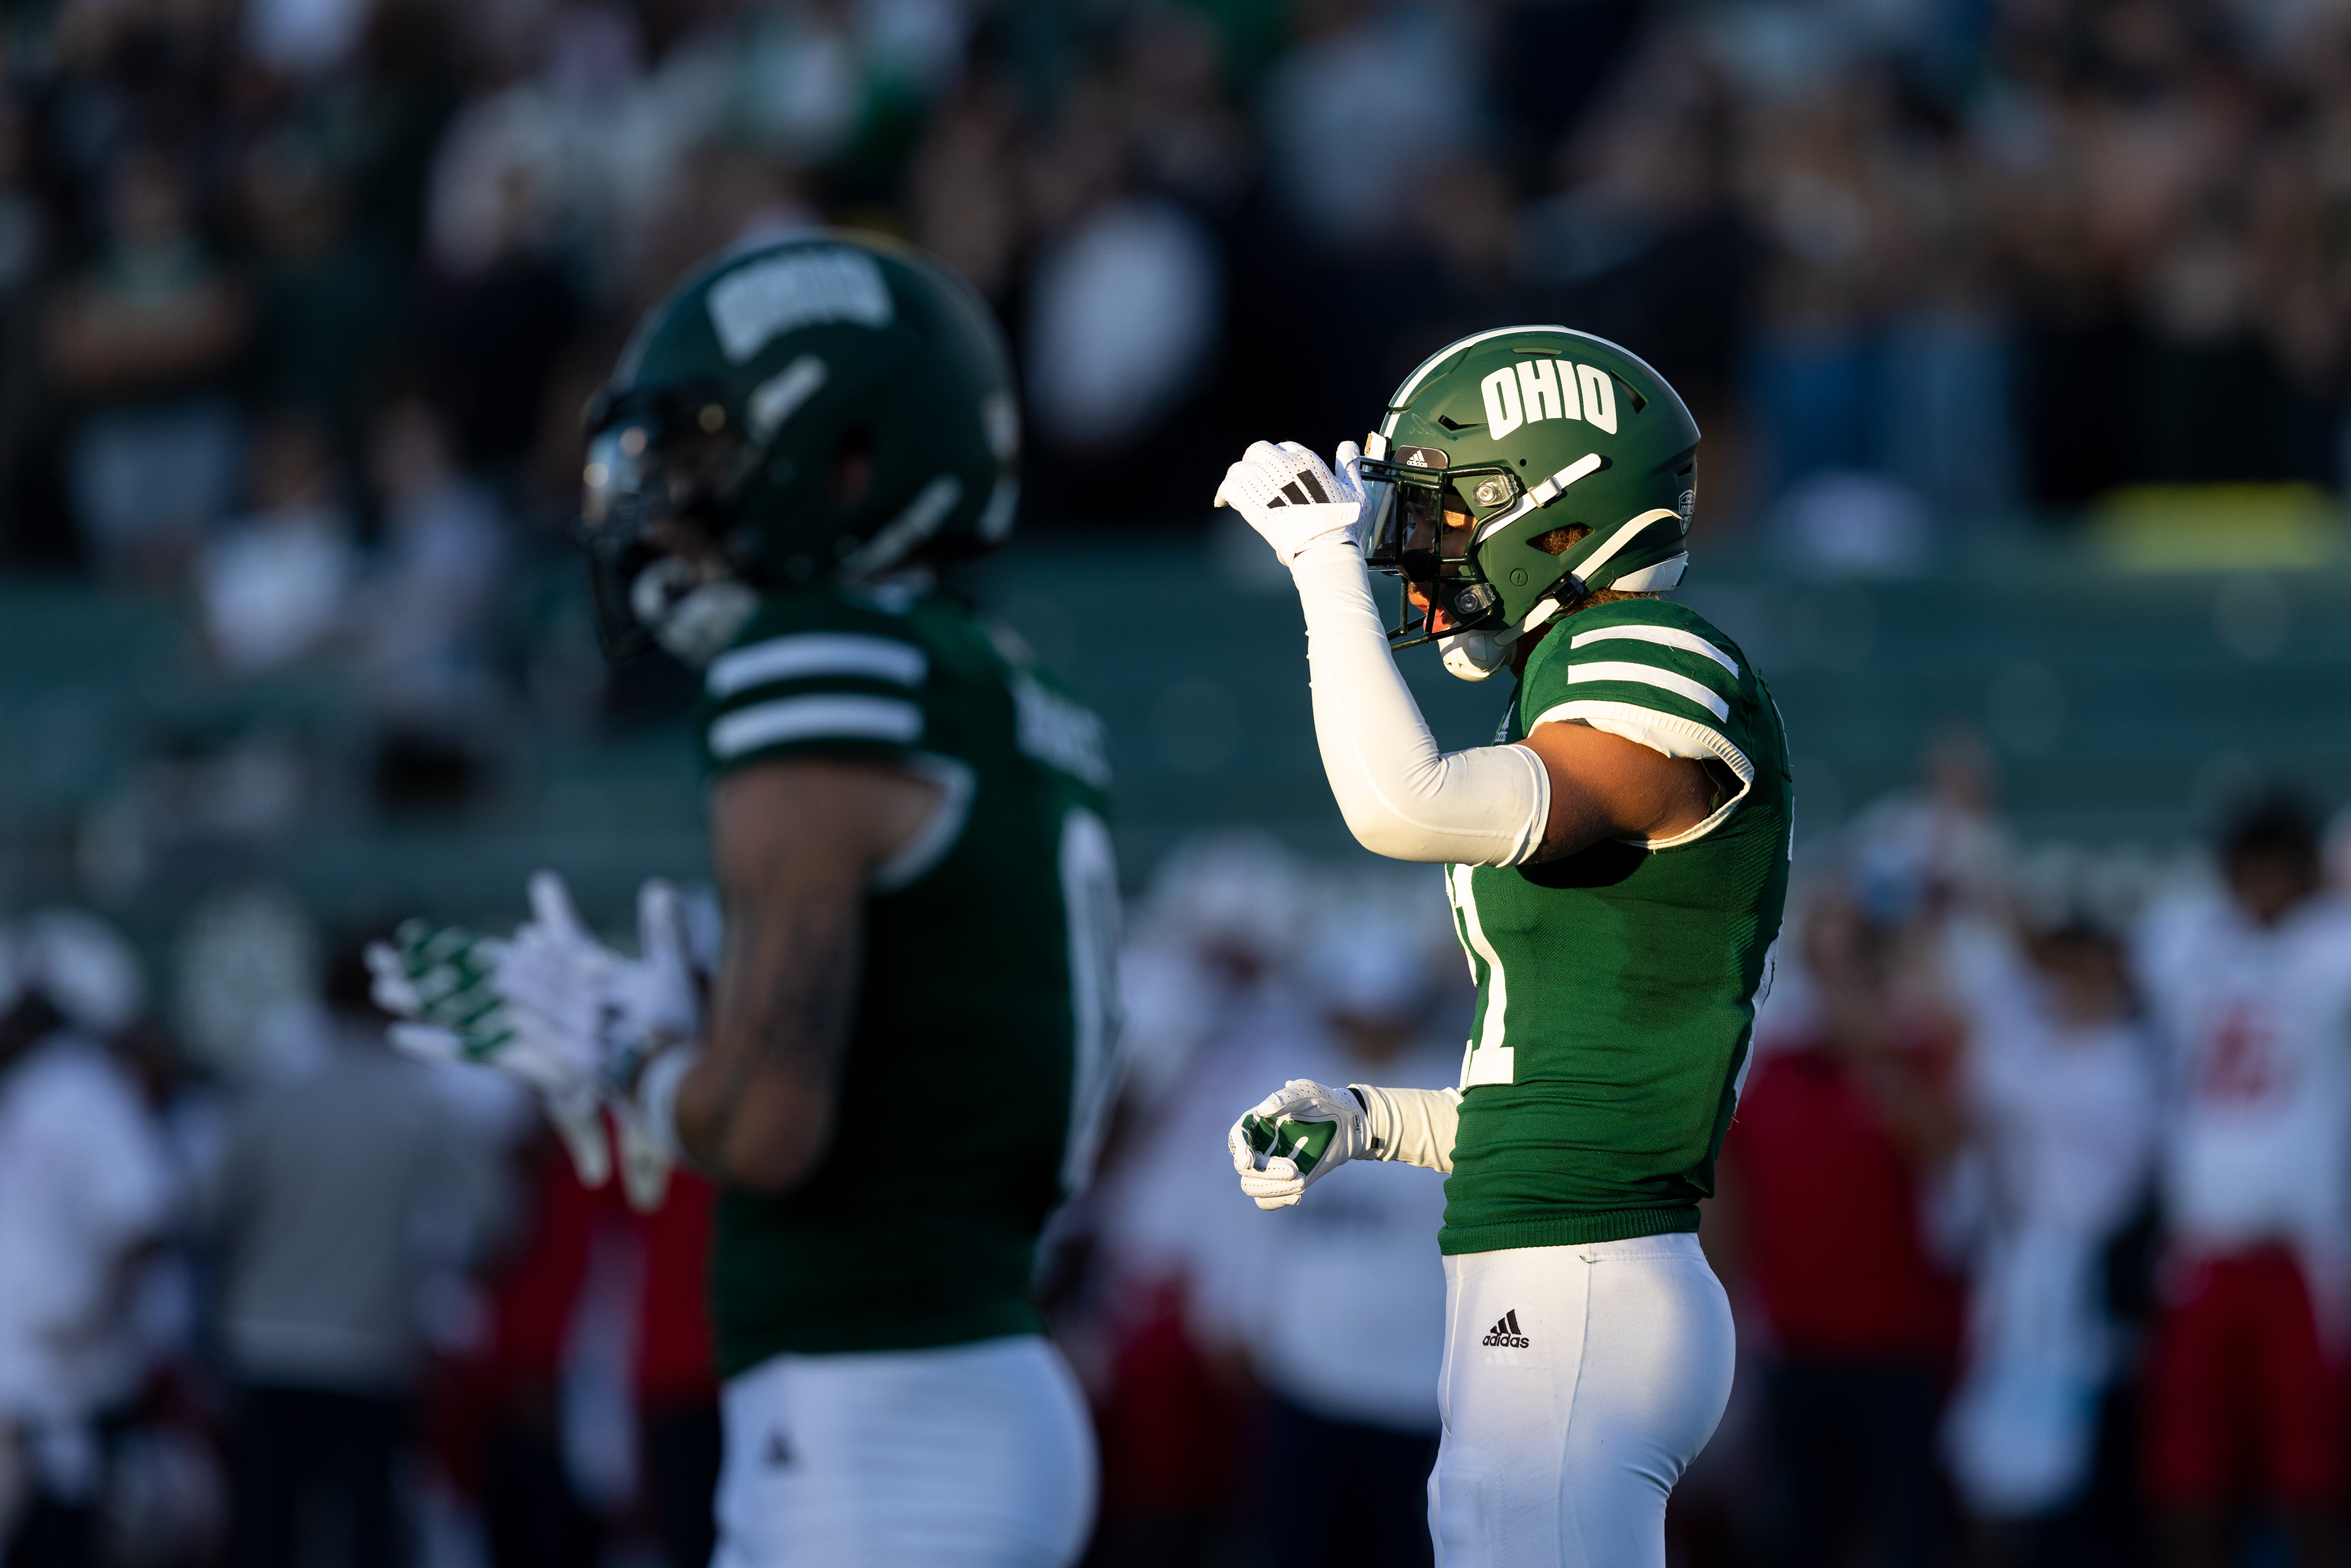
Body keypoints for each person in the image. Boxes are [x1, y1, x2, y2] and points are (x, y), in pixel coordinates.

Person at [372, 232, 1117, 1566]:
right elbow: (917, 1036)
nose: (670, 509)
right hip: (957, 1386)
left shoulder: (820, 660)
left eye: (709, 459)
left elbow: (770, 1125)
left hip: (879, 1429)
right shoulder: (998, 686)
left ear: (850, 459)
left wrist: (632, 1052)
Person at [1215, 325, 1791, 1566]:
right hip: (1557, 1262)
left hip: (1589, 1273)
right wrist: (1372, 1116)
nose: (1420, 560)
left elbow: (1400, 804)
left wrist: (1321, 563)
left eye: (1441, 517)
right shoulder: (1563, 678)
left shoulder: (1649, 650)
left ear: (1554, 514)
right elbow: (1558, 1094)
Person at [2131, 798, 2351, 1568]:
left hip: (2297, 1250)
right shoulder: (2192, 941)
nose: (2261, 888)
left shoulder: (2331, 948)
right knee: (2189, 1462)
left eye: (2277, 871)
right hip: (2201, 1246)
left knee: (2309, 1466)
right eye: (2248, 871)